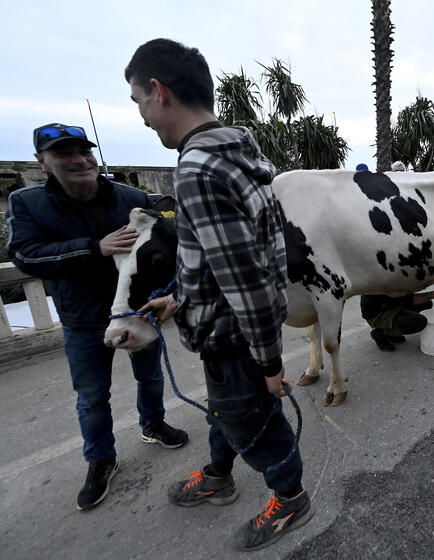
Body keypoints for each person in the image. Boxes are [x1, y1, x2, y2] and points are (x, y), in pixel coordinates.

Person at [125, 38, 311, 551]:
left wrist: (271, 365)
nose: (141, 115)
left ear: (159, 92)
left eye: (138, 100)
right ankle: (218, 474)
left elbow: (245, 281)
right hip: (236, 325)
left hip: (235, 335)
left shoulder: (197, 171)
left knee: (251, 416)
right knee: (225, 410)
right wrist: (180, 299)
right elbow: (220, 256)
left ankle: (291, 498)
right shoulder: (239, 154)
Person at [6, 123, 188, 511]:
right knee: (92, 397)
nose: (78, 160)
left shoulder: (131, 196)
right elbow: (25, 255)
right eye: (63, 154)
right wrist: (94, 248)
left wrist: (171, 293)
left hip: (137, 311)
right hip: (84, 318)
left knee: (150, 375)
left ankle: (153, 425)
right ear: (43, 162)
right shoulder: (28, 202)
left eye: (83, 151)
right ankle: (101, 459)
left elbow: (168, 244)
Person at [361, 285, 434, 351]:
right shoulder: (387, 279)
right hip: (376, 314)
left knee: (426, 303)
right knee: (419, 322)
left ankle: (392, 331)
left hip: (389, 304)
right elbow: (408, 300)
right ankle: (381, 333)